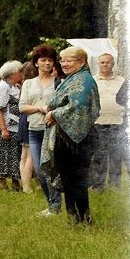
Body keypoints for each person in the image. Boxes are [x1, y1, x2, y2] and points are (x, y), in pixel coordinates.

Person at [41, 46, 100, 224]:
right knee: (68, 181)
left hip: (77, 140)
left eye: (69, 60)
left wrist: (53, 114)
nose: (64, 64)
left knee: (77, 181)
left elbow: (79, 107)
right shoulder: (72, 78)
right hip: (66, 137)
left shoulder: (84, 80)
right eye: (62, 60)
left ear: (81, 62)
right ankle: (73, 219)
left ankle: (83, 220)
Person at [20, 44, 63, 215]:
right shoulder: (28, 83)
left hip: (52, 130)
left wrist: (47, 110)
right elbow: (22, 107)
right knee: (38, 170)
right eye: (43, 60)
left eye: (50, 60)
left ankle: (55, 207)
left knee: (50, 169)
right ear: (36, 63)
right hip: (34, 130)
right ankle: (52, 204)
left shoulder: (58, 82)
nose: (47, 63)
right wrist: (40, 108)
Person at [0, 61, 24, 191]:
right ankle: (2, 184)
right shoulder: (3, 87)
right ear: (12, 74)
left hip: (14, 126)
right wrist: (3, 129)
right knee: (1, 156)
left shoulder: (14, 87)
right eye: (20, 71)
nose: (22, 74)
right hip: (3, 127)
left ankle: (15, 182)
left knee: (13, 156)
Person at [91, 52, 127, 189]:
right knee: (99, 155)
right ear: (98, 64)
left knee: (116, 155)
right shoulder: (92, 81)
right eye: (102, 62)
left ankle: (114, 186)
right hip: (98, 122)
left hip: (118, 123)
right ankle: (98, 186)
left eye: (108, 62)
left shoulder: (122, 81)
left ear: (113, 64)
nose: (105, 64)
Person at [18, 62, 38, 191]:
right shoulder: (33, 85)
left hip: (23, 119)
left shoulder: (24, 85)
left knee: (24, 155)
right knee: (31, 155)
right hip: (31, 118)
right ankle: (27, 186)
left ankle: (27, 185)